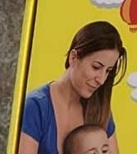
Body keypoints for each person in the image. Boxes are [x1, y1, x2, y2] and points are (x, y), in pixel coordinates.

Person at [18, 20, 126, 154]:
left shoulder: (100, 109)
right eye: (96, 67)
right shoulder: (36, 107)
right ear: (73, 57)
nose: (102, 80)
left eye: (108, 71)